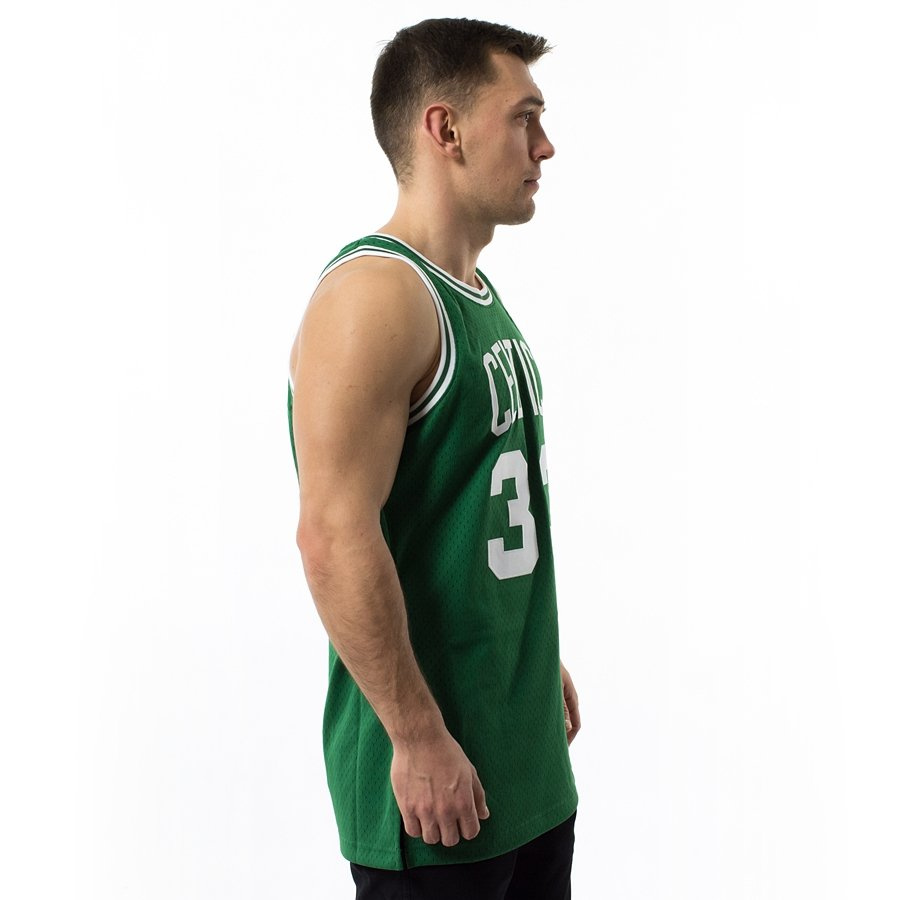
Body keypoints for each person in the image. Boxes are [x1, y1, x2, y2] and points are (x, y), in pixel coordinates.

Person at [287, 17, 581, 899]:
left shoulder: (475, 293)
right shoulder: (376, 296)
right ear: (445, 129)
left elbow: (469, 510)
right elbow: (333, 537)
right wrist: (415, 737)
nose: (545, 146)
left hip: (521, 760)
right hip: (436, 794)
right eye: (524, 118)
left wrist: (531, 659)